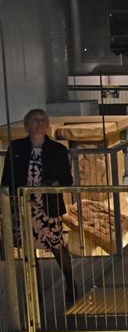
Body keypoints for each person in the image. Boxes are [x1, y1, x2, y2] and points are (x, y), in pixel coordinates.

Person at [1, 109, 77, 306]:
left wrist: (55, 184)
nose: (40, 123)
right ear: (27, 125)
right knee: (28, 251)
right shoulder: (16, 148)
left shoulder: (57, 150)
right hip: (24, 206)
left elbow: (67, 179)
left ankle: (70, 282)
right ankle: (35, 293)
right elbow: (7, 178)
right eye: (35, 119)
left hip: (48, 207)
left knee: (57, 245)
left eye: (43, 119)